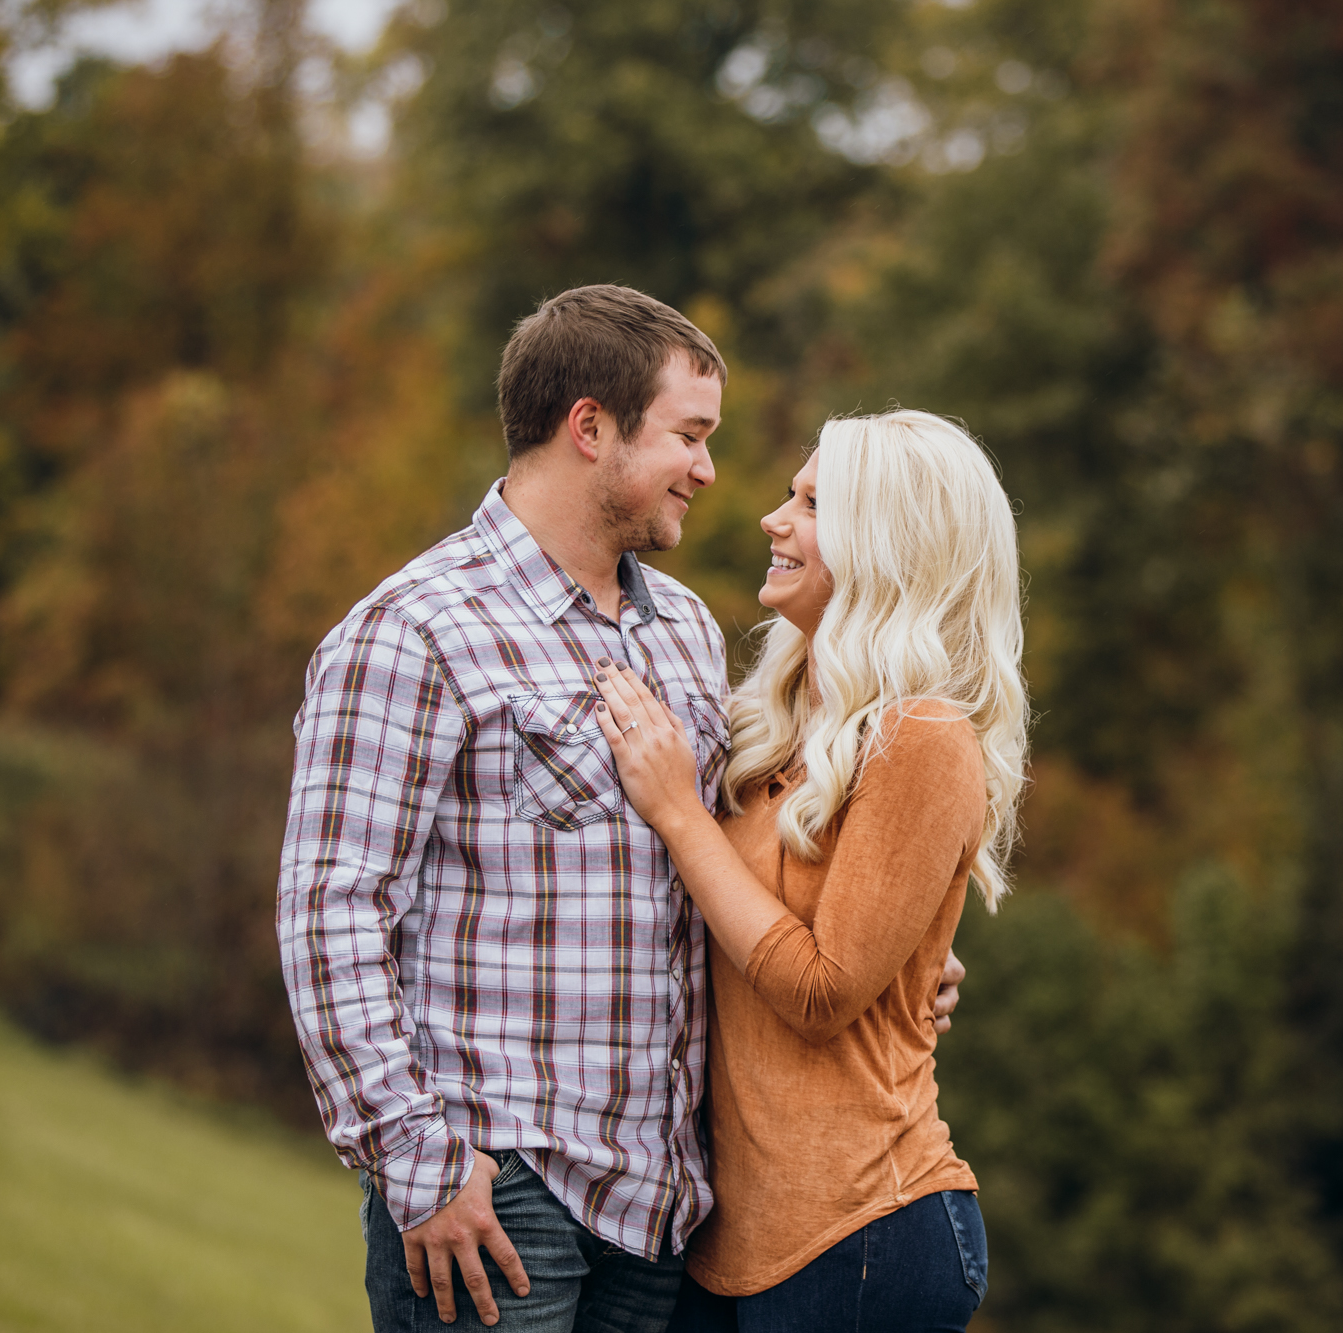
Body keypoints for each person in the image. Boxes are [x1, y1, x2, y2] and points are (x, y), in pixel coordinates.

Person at [275, 286, 964, 1333]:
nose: (708, 468)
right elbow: (330, 912)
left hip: (661, 1216)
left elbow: (742, 865)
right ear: (589, 428)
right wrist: (417, 1164)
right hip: (505, 1195)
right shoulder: (413, 633)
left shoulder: (684, 631)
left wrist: (899, 951)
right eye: (689, 435)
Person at [586, 409, 1027, 1332]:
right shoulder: (774, 718)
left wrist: (676, 811)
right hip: (725, 1240)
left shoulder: (922, 736)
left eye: (812, 503)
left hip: (862, 1232)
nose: (772, 519)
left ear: (886, 545)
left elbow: (824, 990)